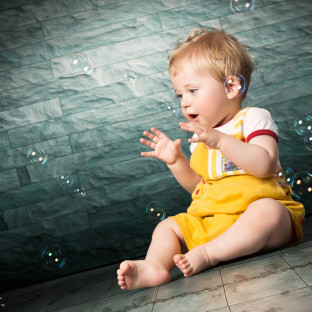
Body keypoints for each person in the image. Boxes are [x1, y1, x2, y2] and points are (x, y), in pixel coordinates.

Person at [117, 28, 305, 290]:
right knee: (169, 226)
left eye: (192, 90)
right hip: (216, 221)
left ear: (231, 86)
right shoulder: (201, 139)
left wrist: (221, 141)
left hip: (260, 219)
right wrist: (176, 161)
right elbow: (199, 188)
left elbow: (264, 165)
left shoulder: (252, 118)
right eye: (180, 95)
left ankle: (209, 254)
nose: (184, 102)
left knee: (269, 212)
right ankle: (154, 267)